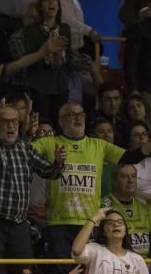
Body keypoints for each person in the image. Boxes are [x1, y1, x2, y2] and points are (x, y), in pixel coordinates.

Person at [33, 102, 126, 265]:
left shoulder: (99, 145)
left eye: (81, 114)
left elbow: (129, 158)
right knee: (61, 273)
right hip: (59, 223)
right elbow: (23, 152)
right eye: (71, 114)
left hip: (90, 223)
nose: (77, 118)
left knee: (90, 273)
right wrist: (31, 133)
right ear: (60, 121)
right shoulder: (49, 142)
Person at [0, 102, 64, 268]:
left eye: (14, 121)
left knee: (25, 271)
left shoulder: (25, 148)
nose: (11, 126)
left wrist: (58, 164)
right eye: (5, 121)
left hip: (19, 222)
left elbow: (49, 172)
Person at [10, 0, 73, 122]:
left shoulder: (65, 29)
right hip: (38, 85)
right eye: (46, 0)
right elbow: (29, 59)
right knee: (41, 123)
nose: (51, 2)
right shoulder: (30, 31)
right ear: (40, 7)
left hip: (60, 85)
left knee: (61, 123)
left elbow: (69, 57)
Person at [102, 164, 151, 258]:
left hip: (147, 262)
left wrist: (150, 261)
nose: (131, 180)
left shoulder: (145, 205)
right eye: (124, 177)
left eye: (133, 176)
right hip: (120, 259)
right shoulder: (104, 205)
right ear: (114, 181)